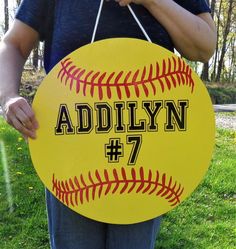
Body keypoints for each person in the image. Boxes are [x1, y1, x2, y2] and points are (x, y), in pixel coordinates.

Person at [0, 0, 216, 248]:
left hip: (148, 154)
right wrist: (8, 97)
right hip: (68, 146)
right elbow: (13, 43)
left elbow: (204, 47)